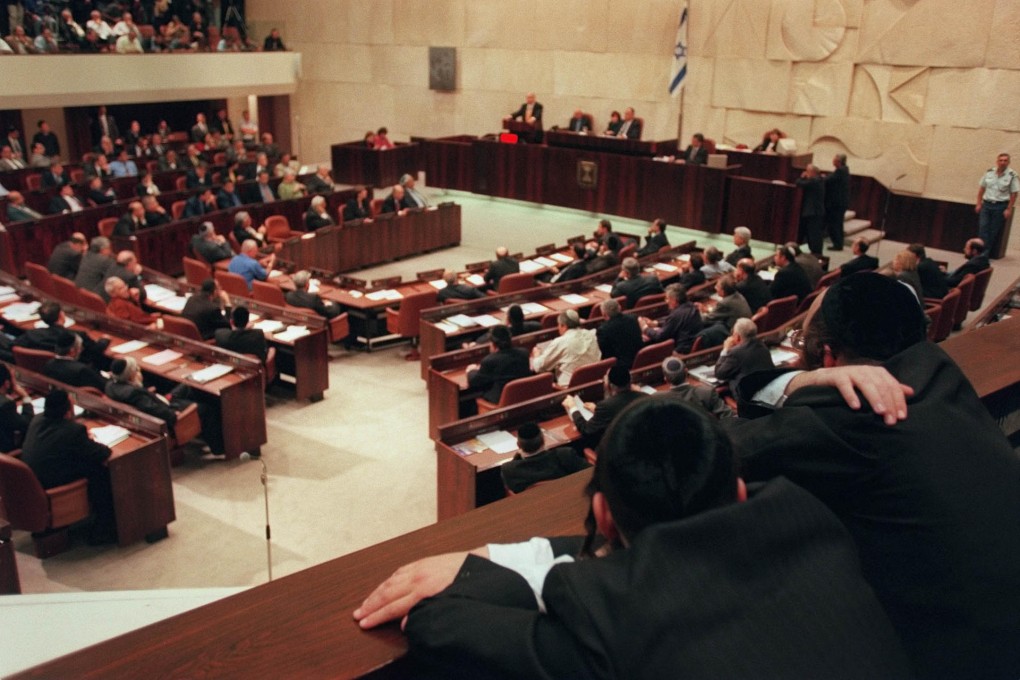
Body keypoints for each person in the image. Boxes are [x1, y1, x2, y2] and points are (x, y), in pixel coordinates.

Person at [355, 396, 913, 678]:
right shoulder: (808, 517)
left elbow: (436, 621)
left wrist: (476, 569)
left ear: (602, 516)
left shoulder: (610, 618)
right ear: (740, 493)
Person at [725, 272, 1020, 679]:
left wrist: (804, 381)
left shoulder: (846, 419)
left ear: (829, 358)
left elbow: (721, 447)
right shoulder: (941, 371)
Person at [21, 389, 117, 545]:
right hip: (55, 484)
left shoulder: (37, 420)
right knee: (101, 470)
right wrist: (86, 438)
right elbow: (103, 452)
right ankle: (104, 528)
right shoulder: (72, 431)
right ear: (67, 411)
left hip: (35, 480)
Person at [563, 365, 645, 450]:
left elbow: (586, 430)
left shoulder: (606, 406)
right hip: (639, 447)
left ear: (610, 385)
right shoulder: (644, 397)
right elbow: (621, 411)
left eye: (606, 377)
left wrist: (573, 407)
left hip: (616, 453)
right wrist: (597, 410)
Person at [500, 422, 590, 494]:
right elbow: (590, 472)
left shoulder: (509, 469)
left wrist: (517, 457)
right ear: (543, 440)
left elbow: (514, 490)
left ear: (518, 445)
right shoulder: (565, 454)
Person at [531, 310, 600, 387]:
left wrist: (536, 355)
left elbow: (539, 367)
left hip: (569, 389)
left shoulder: (561, 341)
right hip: (594, 382)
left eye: (559, 325)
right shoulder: (590, 334)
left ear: (564, 326)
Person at [465, 324, 532, 404]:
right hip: (522, 398)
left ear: (493, 344)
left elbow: (474, 382)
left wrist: (470, 371)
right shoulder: (524, 353)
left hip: (500, 404)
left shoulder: (490, 360)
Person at [713, 317, 774, 394]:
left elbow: (719, 374)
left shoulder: (735, 353)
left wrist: (725, 349)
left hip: (746, 397)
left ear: (737, 337)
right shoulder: (762, 346)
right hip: (765, 390)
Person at [661, 356, 733, 418]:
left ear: (666, 379)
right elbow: (727, 415)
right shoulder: (706, 392)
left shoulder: (660, 400)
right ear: (686, 372)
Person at [639, 283, 702, 354]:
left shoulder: (676, 315)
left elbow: (659, 337)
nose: (666, 301)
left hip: (680, 351)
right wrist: (656, 323)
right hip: (690, 345)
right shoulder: (691, 306)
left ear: (674, 300)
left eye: (667, 298)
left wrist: (645, 328)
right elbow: (674, 321)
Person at [975, 152, 1018, 252]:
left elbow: (1014, 194)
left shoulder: (1012, 175)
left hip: (1000, 206)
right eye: (1001, 160)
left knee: (993, 231)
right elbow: (982, 189)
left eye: (1005, 160)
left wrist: (1008, 209)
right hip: (986, 204)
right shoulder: (989, 172)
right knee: (983, 228)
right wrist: (978, 203)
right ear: (997, 161)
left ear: (1008, 162)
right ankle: (980, 252)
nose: (1002, 162)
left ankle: (985, 253)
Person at [43, 334, 107, 392]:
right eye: (80, 347)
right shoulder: (82, 370)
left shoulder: (48, 364)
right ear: (72, 351)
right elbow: (105, 386)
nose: (81, 350)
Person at [594, 298, 642, 370]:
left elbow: (603, 352)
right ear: (620, 308)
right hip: (638, 360)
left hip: (618, 367)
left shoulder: (603, 330)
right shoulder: (633, 319)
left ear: (604, 315)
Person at [0, 363, 33, 453]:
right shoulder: (6, 405)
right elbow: (27, 423)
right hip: (6, 456)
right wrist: (25, 397)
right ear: (7, 383)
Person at [796, 164, 826, 255]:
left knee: (814, 234)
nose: (805, 173)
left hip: (813, 212)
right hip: (812, 212)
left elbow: (799, 183)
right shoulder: (818, 179)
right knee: (810, 234)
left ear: (812, 173)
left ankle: (816, 253)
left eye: (807, 171)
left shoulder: (815, 181)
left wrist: (802, 177)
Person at [824, 154, 850, 250]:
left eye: (834, 159)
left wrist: (823, 177)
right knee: (838, 224)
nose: (832, 161)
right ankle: (839, 243)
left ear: (838, 162)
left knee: (835, 224)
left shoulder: (840, 171)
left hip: (836, 204)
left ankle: (837, 244)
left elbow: (829, 179)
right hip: (840, 203)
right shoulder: (844, 169)